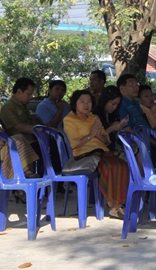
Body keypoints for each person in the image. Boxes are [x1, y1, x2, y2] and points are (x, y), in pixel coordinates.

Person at [63, 90, 129, 219]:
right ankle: (114, 205)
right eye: (82, 101)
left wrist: (98, 136)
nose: (86, 104)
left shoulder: (94, 118)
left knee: (122, 165)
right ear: (75, 104)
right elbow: (73, 145)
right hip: (84, 154)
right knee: (108, 167)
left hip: (101, 152)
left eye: (89, 101)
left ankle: (119, 202)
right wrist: (90, 136)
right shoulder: (69, 119)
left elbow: (106, 140)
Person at [93, 85, 129, 153]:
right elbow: (97, 138)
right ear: (105, 100)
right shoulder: (95, 115)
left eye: (117, 104)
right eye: (113, 104)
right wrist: (112, 128)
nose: (115, 107)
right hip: (102, 150)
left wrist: (120, 126)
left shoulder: (113, 114)